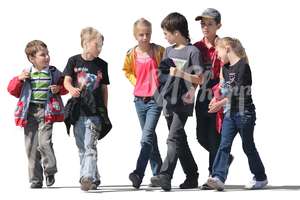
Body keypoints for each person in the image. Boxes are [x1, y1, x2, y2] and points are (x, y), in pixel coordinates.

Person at [206, 37, 268, 191]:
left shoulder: (243, 67)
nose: (217, 55)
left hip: (244, 113)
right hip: (230, 114)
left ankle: (260, 177)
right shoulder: (225, 68)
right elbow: (224, 89)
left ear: (227, 48)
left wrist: (220, 104)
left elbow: (238, 92)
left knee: (248, 146)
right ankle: (218, 177)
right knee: (224, 145)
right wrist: (216, 98)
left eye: (218, 51)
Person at [150, 12, 203, 191]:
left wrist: (181, 74)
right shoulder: (169, 51)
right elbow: (163, 73)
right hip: (168, 100)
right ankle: (192, 175)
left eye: (166, 33)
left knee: (173, 137)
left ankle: (165, 175)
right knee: (179, 140)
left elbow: (200, 79)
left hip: (184, 101)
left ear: (176, 32)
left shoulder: (193, 51)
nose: (164, 36)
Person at [7, 40, 66, 188]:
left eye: (47, 54)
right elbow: (12, 90)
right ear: (32, 58)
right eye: (42, 55)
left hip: (47, 112)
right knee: (31, 147)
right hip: (30, 113)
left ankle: (50, 170)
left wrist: (58, 88)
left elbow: (66, 85)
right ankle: (35, 179)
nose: (47, 57)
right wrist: (19, 80)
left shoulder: (53, 72)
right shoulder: (27, 73)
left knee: (45, 143)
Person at [63, 27, 110, 191]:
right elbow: (66, 81)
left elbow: (104, 89)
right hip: (78, 112)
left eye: (101, 45)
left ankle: (86, 177)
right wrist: (70, 89)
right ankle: (94, 178)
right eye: (97, 45)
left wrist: (105, 110)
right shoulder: (73, 61)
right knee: (82, 147)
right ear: (86, 44)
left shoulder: (102, 65)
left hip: (95, 112)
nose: (100, 48)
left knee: (89, 146)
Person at [193, 8, 233, 189]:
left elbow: (232, 70)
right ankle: (224, 159)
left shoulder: (225, 46)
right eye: (203, 24)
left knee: (213, 136)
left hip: (218, 91)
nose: (205, 27)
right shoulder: (197, 47)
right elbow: (193, 73)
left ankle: (214, 175)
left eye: (209, 24)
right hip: (202, 93)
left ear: (219, 25)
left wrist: (221, 96)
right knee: (201, 136)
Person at [123, 18, 164, 189]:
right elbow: (127, 71)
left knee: (146, 137)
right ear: (135, 35)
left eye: (148, 34)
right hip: (139, 101)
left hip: (156, 100)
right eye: (141, 34)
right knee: (150, 138)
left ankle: (138, 173)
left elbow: (167, 70)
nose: (145, 37)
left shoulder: (159, 51)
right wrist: (137, 82)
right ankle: (159, 174)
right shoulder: (131, 54)